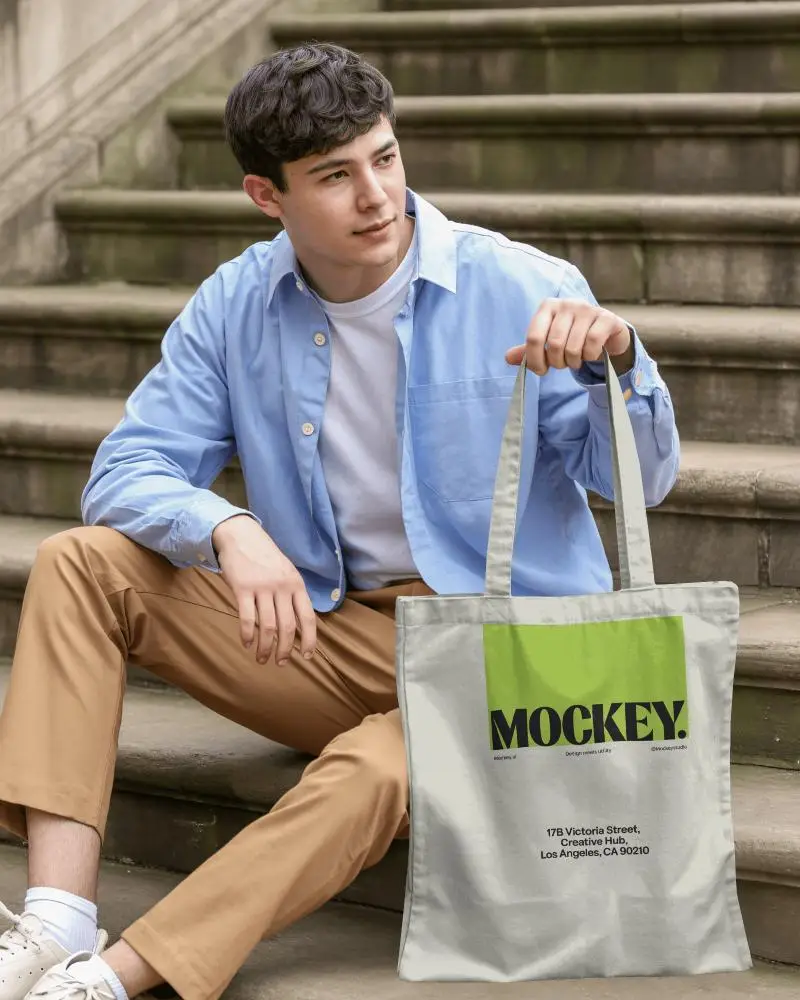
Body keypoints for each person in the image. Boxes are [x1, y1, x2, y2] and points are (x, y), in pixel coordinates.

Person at [0, 41, 679, 1000]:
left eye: (385, 158)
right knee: (80, 563)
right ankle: (53, 920)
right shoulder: (236, 304)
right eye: (334, 176)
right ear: (265, 195)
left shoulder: (521, 285)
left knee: (373, 768)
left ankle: (111, 977)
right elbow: (126, 469)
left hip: (518, 660)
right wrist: (229, 531)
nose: (377, 196)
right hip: (336, 634)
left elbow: (645, 485)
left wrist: (621, 366)